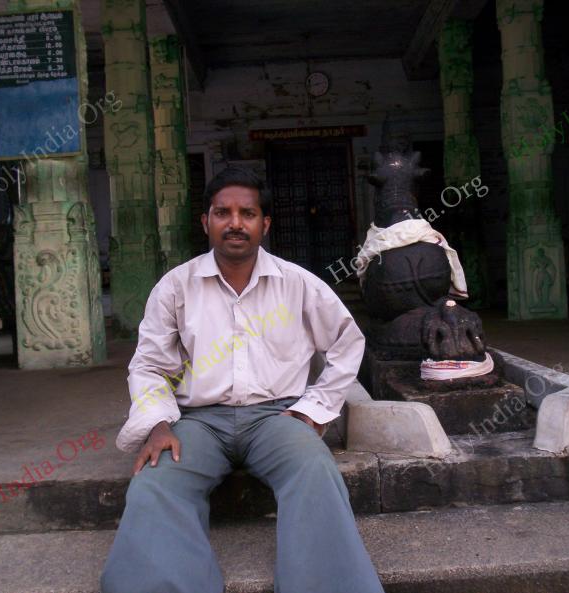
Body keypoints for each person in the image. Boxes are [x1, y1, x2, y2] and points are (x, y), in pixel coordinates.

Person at [101, 166, 385, 593]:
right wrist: (158, 424)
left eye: (247, 213)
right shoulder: (175, 287)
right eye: (223, 213)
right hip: (197, 422)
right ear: (206, 222)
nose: (235, 223)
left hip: (275, 418)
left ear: (264, 224)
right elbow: (149, 365)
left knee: (314, 470)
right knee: (154, 484)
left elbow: (348, 342)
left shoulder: (299, 284)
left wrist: (315, 410)